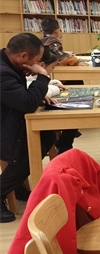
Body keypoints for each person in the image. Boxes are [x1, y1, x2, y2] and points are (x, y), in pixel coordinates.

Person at [0, 33, 57, 222]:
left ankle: (14, 185)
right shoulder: (3, 72)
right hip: (4, 126)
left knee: (46, 135)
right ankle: (3, 189)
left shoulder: (10, 64)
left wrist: (37, 96)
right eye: (37, 61)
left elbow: (17, 98)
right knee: (29, 148)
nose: (37, 65)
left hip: (8, 117)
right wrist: (43, 77)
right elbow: (26, 103)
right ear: (23, 56)